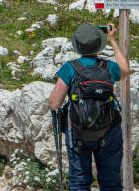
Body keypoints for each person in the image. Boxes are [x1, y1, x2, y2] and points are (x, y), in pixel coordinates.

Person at [48, 24, 130, 191]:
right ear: (99, 45)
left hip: (78, 130)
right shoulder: (109, 67)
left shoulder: (70, 68)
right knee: (111, 181)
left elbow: (54, 103)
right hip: (109, 130)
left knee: (79, 181)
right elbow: (125, 71)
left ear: (77, 46)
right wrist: (113, 40)